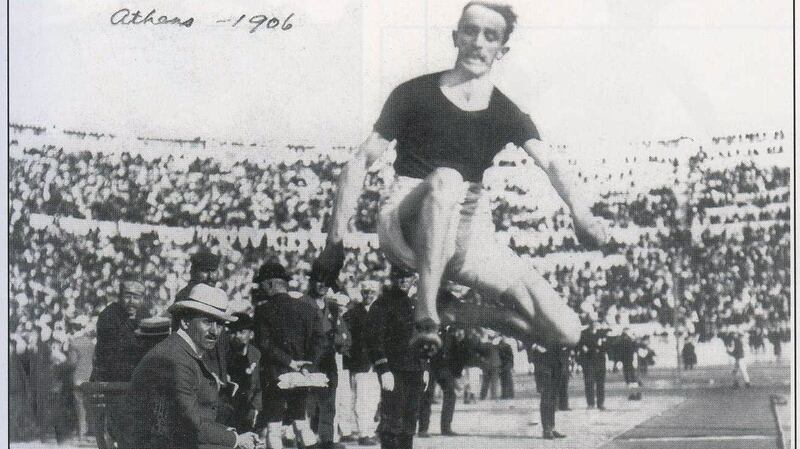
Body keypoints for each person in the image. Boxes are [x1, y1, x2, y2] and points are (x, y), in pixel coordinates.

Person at [315, 0, 602, 357]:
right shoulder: (413, 93)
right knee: (448, 179)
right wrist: (334, 243)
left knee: (566, 331)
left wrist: (582, 213)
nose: (478, 42)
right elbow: (359, 162)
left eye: (490, 36)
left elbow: (552, 163)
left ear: (502, 49)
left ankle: (457, 312)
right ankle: (427, 314)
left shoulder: (505, 111)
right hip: (408, 216)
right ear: (456, 37)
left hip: (470, 227)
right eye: (470, 31)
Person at [126, 284, 259, 449]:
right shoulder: (174, 358)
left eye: (219, 324)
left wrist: (232, 435)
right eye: (207, 322)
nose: (215, 331)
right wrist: (236, 439)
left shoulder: (182, 351)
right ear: (185, 322)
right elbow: (191, 424)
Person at [253, 261, 323, 449]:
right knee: (300, 422)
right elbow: (319, 340)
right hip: (302, 375)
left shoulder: (263, 310)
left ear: (269, 284)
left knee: (274, 426)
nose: (261, 288)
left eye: (262, 284)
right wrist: (308, 365)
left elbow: (264, 344)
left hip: (275, 373)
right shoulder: (307, 308)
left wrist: (290, 362)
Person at [367, 265, 427, 449]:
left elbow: (424, 337)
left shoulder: (417, 304)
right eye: (398, 276)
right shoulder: (383, 303)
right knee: (392, 422)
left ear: (414, 279)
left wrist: (425, 367)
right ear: (393, 278)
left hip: (415, 370)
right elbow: (374, 338)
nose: (402, 281)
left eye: (407, 276)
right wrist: (383, 368)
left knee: (410, 422)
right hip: (394, 371)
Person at [305, 266, 351, 449]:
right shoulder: (304, 303)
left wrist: (340, 341)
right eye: (318, 281)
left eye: (326, 282)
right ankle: (307, 439)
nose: (322, 285)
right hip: (310, 357)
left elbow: (342, 332)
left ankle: (326, 440)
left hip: (328, 357)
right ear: (312, 282)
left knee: (329, 401)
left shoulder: (332, 306)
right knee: (309, 401)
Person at [343, 281, 382, 446]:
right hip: (361, 361)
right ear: (362, 293)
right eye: (366, 292)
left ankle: (370, 431)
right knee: (362, 399)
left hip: (378, 362)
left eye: (372, 293)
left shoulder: (381, 312)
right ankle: (363, 432)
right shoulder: (352, 314)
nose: (369, 295)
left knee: (374, 398)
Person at [93, 280, 147, 382]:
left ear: (142, 299)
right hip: (111, 377)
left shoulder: (144, 314)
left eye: (136, 297)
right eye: (127, 296)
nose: (131, 301)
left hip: (137, 376)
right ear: (120, 297)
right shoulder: (108, 315)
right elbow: (112, 351)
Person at [224, 313, 263, 433]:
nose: (236, 336)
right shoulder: (224, 356)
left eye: (241, 332)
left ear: (251, 334)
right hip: (228, 410)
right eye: (233, 332)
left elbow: (260, 386)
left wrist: (255, 409)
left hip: (249, 410)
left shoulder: (256, 355)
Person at [530, 343, 567, 439]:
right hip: (543, 363)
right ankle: (546, 430)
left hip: (557, 362)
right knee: (546, 396)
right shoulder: (538, 327)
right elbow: (526, 335)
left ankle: (551, 427)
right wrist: (535, 346)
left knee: (553, 397)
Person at [67, 319, 96, 442]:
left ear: (73, 329)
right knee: (89, 406)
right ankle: (92, 432)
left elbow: (72, 363)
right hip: (90, 377)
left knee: (80, 407)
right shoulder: (90, 343)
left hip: (78, 378)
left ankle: (81, 434)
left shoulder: (74, 343)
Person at [577, 321, 608, 410]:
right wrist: (596, 346)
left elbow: (606, 347)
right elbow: (582, 347)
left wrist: (593, 347)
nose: (595, 325)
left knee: (600, 384)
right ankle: (590, 403)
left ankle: (600, 403)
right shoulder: (584, 334)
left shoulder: (602, 333)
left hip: (600, 362)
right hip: (588, 362)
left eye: (597, 323)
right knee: (589, 383)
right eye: (594, 323)